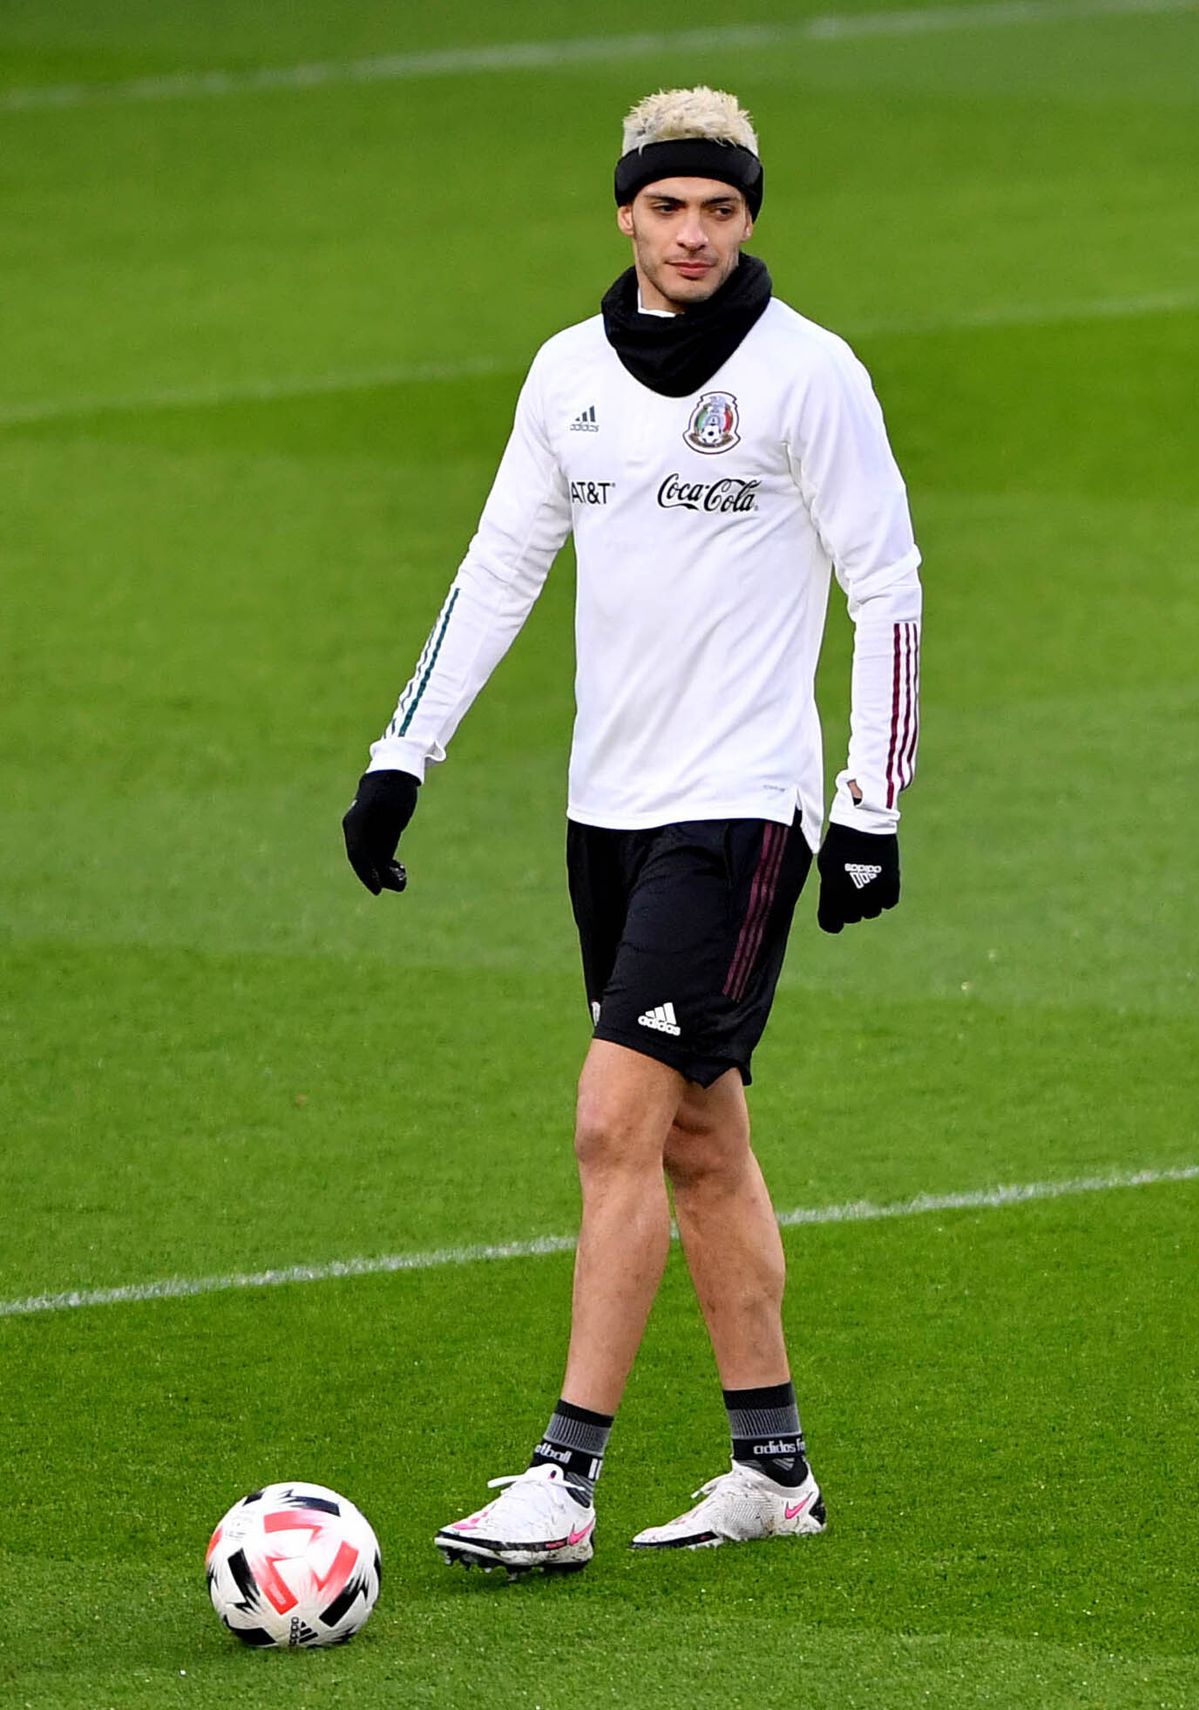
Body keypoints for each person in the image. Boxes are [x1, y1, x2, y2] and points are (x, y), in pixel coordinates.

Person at [342, 86, 921, 1573]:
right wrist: (404, 751)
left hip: (739, 810)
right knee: (702, 1143)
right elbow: (498, 567)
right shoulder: (565, 378)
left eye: (722, 209)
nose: (694, 235)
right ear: (625, 210)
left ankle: (563, 1481)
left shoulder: (809, 377)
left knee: (614, 1116)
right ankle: (772, 1466)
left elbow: (890, 586)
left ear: (751, 217)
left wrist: (867, 806)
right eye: (669, 206)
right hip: (607, 809)